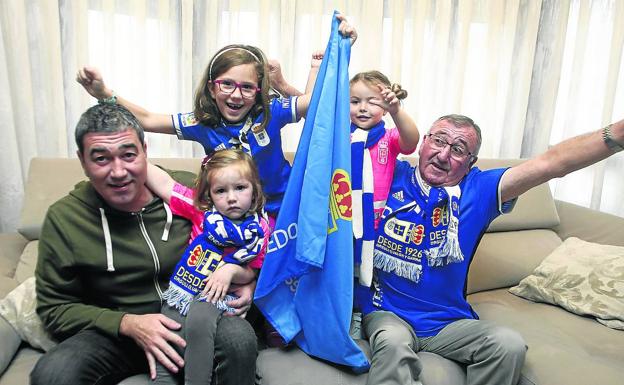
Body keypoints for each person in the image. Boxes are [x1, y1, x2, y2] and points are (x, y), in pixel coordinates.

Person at [359, 114, 624, 385]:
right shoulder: (391, 173)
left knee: (508, 344)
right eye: (438, 140)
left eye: (458, 149)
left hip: (446, 322)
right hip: (388, 311)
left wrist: (616, 134)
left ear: (471, 163)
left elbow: (551, 163)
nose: (443, 154)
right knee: (392, 343)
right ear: (423, 142)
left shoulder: (480, 189)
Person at [32, 103, 257, 385]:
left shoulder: (195, 194)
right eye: (101, 159)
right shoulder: (65, 218)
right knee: (54, 373)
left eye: (128, 155)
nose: (118, 172)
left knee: (239, 340)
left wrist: (249, 281)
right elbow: (55, 309)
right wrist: (126, 323)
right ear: (82, 161)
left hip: (192, 317)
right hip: (117, 334)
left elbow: (251, 239)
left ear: (144, 151)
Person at [75, 14, 357, 219]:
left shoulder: (269, 113)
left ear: (259, 91)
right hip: (233, 214)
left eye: (247, 87)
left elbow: (315, 106)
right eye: (227, 84)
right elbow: (147, 119)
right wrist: (104, 93)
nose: (236, 95)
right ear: (212, 87)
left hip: (283, 209)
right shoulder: (202, 124)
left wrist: (339, 52)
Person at [147, 149, 270, 385]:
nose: (231, 198)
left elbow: (252, 272)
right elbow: (165, 184)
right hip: (183, 290)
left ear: (254, 189)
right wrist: (136, 159)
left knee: (201, 318)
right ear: (210, 195)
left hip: (220, 298)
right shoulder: (202, 213)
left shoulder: (260, 230)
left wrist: (231, 270)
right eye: (221, 191)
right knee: (168, 328)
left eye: (240, 188)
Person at [348, 70, 420, 287]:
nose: (362, 107)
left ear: (385, 110)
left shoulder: (388, 139)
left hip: (377, 223)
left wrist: (397, 111)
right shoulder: (341, 134)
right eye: (355, 101)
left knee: (369, 274)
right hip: (342, 220)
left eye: (372, 102)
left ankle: (363, 311)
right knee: (342, 273)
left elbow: (411, 141)